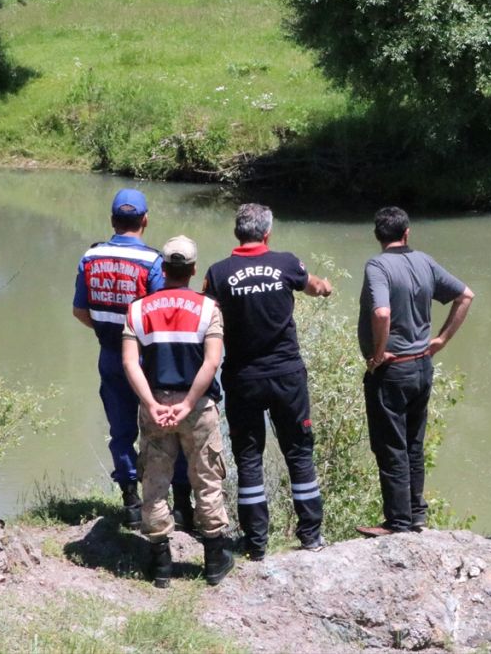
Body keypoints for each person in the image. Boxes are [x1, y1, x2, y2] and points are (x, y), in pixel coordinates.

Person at [203, 203, 332, 559]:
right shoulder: (286, 263)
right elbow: (314, 286)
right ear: (267, 233)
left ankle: (256, 544)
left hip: (243, 377)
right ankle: (311, 536)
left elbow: (205, 314)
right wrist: (325, 287)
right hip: (287, 374)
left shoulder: (218, 273)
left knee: (248, 458)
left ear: (236, 233)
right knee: (299, 452)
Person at [72, 189, 190, 528]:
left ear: (112, 221)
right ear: (145, 220)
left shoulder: (90, 258)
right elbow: (162, 312)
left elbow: (80, 310)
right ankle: (179, 505)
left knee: (120, 431)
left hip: (110, 355)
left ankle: (131, 504)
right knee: (168, 428)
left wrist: (107, 330)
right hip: (149, 362)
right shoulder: (153, 263)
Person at [355, 207, 474, 537]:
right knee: (413, 444)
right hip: (422, 366)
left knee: (391, 445)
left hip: (393, 371)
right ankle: (416, 514)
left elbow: (381, 312)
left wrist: (377, 355)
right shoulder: (425, 261)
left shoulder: (378, 266)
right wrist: (440, 340)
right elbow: (465, 296)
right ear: (406, 233)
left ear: (378, 236)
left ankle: (398, 522)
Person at [122, 235, 232, 588]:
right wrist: (187, 403)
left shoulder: (137, 309)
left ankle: (161, 566)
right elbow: (212, 361)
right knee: (207, 479)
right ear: (194, 269)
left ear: (163, 269)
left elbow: (130, 363)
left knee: (154, 482)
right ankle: (214, 561)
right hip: (196, 406)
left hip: (155, 402)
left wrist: (152, 403)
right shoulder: (208, 308)